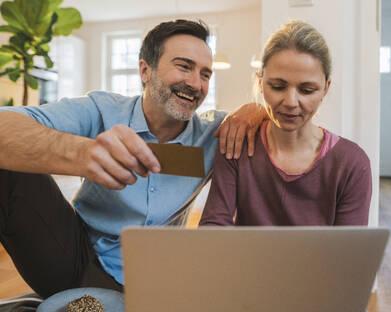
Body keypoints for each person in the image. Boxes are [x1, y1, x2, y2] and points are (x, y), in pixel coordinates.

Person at [0, 19, 266, 298]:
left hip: (151, 276)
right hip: (72, 257)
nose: (196, 83)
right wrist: (81, 152)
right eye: (184, 66)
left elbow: (276, 126)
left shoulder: (216, 135)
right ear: (145, 70)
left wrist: (256, 109)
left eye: (205, 74)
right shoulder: (101, 110)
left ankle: (68, 304)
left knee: (84, 306)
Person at [200, 20, 371, 227]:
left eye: (307, 90)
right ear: (261, 82)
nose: (290, 102)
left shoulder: (351, 163)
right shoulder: (238, 144)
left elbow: (350, 252)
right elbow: (214, 225)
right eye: (278, 87)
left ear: (325, 88)